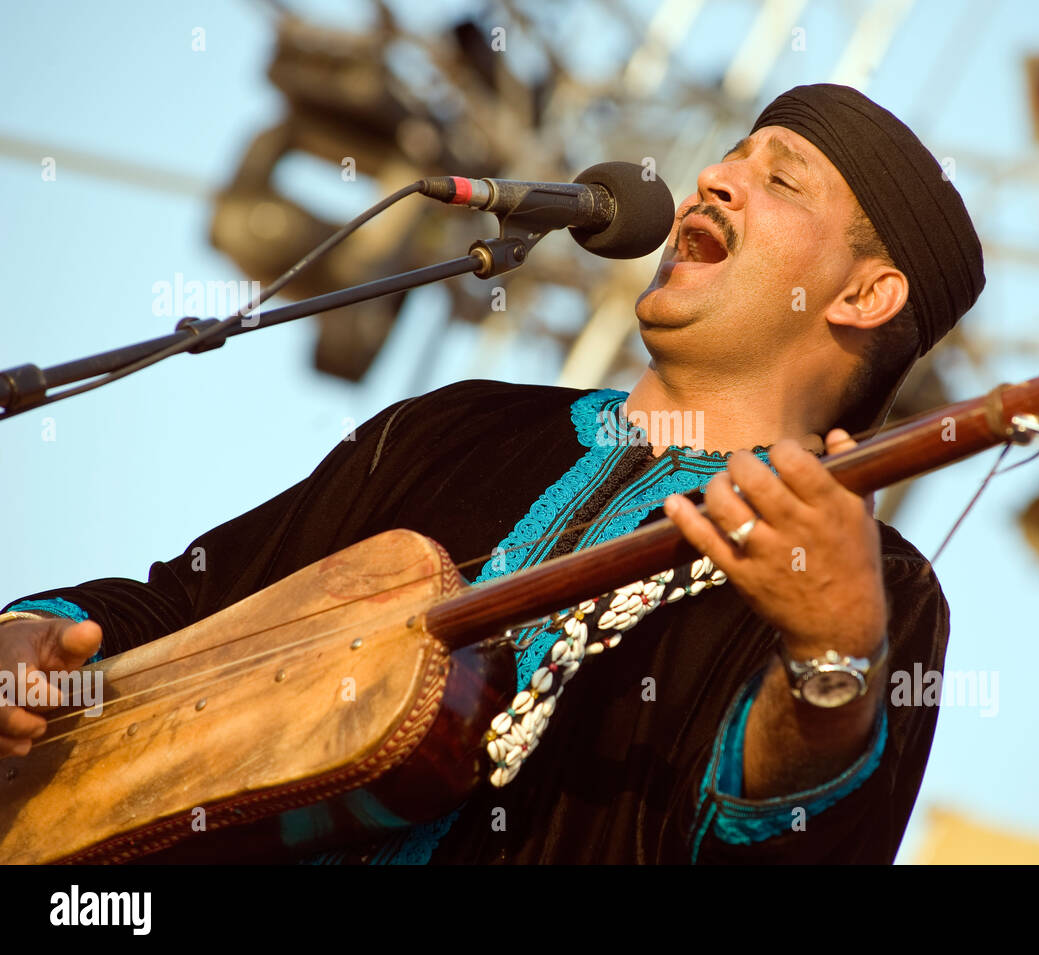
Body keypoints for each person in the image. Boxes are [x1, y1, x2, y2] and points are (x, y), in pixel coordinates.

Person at [0, 83, 984, 864]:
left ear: (863, 293)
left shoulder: (884, 592)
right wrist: (30, 642)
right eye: (730, 154)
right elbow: (185, 612)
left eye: (782, 179)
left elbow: (785, 843)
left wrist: (833, 659)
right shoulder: (455, 426)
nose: (715, 179)